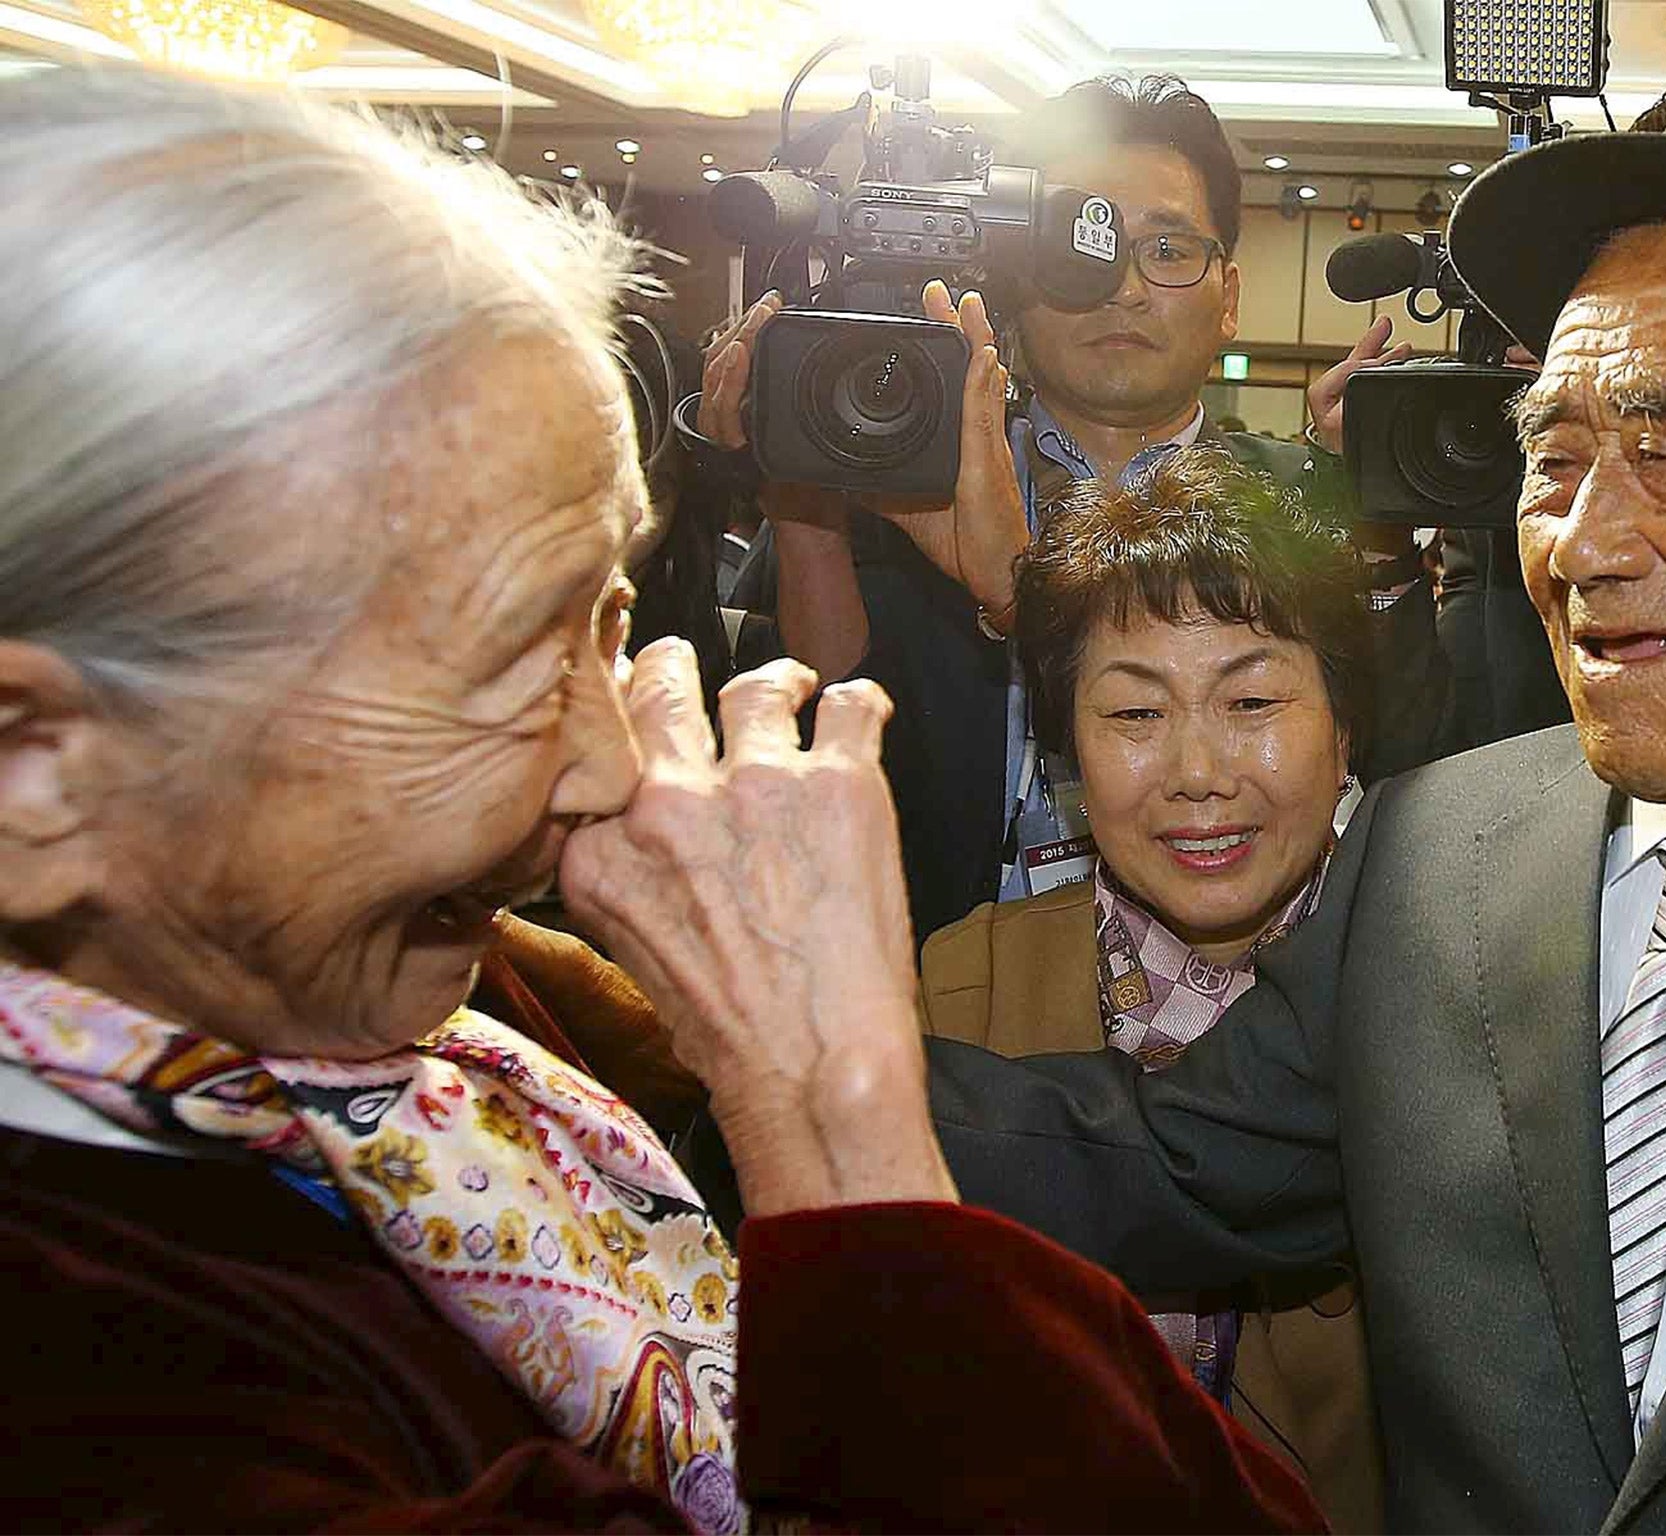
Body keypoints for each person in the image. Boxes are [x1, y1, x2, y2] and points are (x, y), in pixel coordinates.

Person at [0, 65, 1329, 1534]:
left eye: (610, 630)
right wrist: (831, 1115)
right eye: (509, 662)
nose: (617, 765)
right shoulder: (91, 1397)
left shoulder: (506, 1009)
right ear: (33, 767)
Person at [922, 54, 1666, 1530]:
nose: (1580, 544)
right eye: (1558, 456)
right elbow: (1138, 1166)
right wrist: (710, 1039)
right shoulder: (1439, 859)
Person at [698, 75, 1450, 942]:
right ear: (1016, 280)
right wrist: (799, 489)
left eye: (1168, 250)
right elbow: (798, 727)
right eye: (1080, 247)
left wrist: (1378, 519)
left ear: (1230, 297)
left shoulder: (1302, 503)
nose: (1123, 288)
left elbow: (1408, 764)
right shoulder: (889, 468)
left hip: (1238, 1007)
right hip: (938, 985)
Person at [918, 446, 1380, 1528]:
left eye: (1253, 699)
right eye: (1133, 715)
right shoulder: (960, 986)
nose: (1198, 773)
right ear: (1066, 751)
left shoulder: (1436, 991)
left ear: (1345, 723)